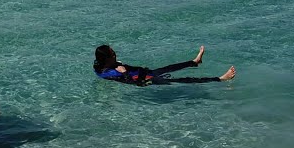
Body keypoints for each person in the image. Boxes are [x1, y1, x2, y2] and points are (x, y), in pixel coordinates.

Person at [93, 44, 235, 86]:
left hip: (143, 73)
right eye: (113, 54)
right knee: (182, 80)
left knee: (168, 68)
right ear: (106, 59)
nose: (115, 54)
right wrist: (123, 72)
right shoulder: (109, 73)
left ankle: (194, 62)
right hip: (146, 80)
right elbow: (133, 83)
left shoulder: (103, 65)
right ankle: (221, 79)